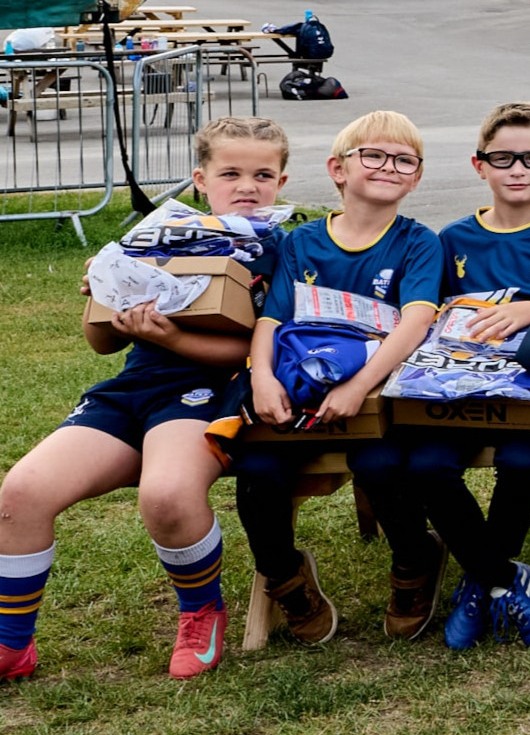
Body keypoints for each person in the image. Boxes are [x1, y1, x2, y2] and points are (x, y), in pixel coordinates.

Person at [1, 116, 291, 682]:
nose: (247, 186)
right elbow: (102, 342)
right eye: (230, 173)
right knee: (21, 493)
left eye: (263, 175)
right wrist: (106, 293)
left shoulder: (283, 248)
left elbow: (259, 350)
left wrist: (175, 338)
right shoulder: (155, 234)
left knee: (166, 496)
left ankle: (201, 613)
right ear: (200, 179)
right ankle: (12, 643)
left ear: (281, 181)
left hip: (210, 390)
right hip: (133, 388)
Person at [238, 112, 450, 643]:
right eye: (373, 155)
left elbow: (416, 323)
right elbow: (272, 320)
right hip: (298, 392)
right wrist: (262, 378)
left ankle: (415, 560)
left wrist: (358, 386)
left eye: (404, 160)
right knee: (257, 471)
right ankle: (287, 579)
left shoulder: (419, 242)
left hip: (376, 397)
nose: (389, 167)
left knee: (381, 462)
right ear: (338, 169)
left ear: (417, 177)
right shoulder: (302, 242)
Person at [414, 103, 530, 652]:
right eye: (503, 158)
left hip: (529, 395)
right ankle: (502, 579)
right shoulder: (453, 239)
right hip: (455, 389)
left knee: (524, 462)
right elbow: (431, 318)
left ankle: (479, 581)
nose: (517, 169)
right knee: (427, 465)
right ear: (479, 164)